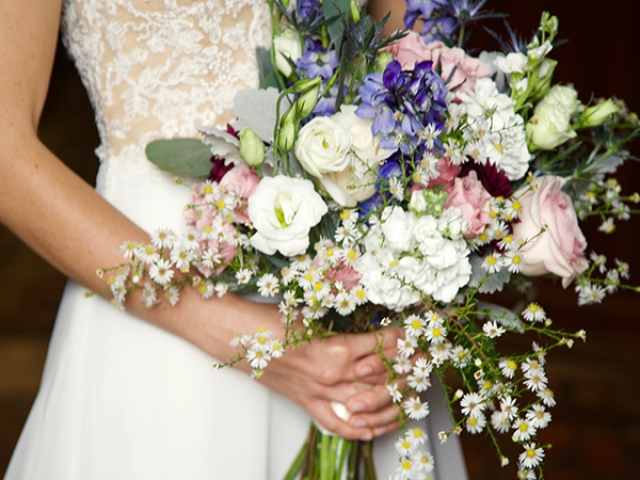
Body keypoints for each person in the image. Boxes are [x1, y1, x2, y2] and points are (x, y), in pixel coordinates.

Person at [1, 0, 467, 478]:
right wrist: (252, 338)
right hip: (159, 310)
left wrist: (428, 276)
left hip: (358, 303)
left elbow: (413, 64)